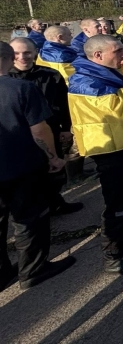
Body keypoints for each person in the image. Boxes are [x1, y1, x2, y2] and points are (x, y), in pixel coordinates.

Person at [68, 35, 123, 274]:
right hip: (110, 151)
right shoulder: (86, 82)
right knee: (119, 202)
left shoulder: (104, 73)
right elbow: (120, 110)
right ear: (98, 55)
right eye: (118, 51)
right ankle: (114, 255)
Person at [0, 41, 74, 292]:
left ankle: (2, 272)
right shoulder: (21, 88)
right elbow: (39, 130)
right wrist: (53, 157)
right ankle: (33, 269)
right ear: (10, 59)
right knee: (29, 219)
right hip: (20, 166)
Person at [9, 38, 80, 215]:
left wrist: (66, 127)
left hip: (50, 130)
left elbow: (64, 103)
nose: (22, 57)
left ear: (35, 53)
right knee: (27, 175)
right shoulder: (6, 79)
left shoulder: (51, 75)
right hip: (17, 134)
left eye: (27, 52)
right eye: (17, 53)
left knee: (54, 170)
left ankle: (55, 202)